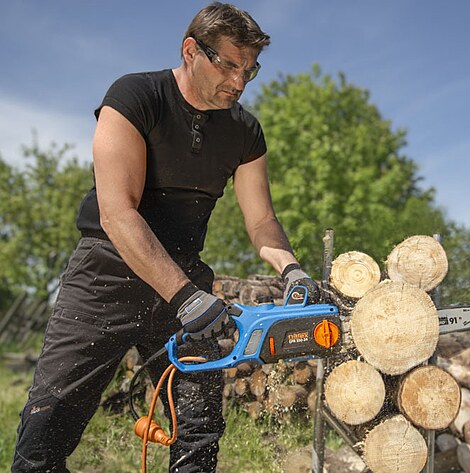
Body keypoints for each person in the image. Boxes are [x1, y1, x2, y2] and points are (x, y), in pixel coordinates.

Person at [12, 3, 319, 472]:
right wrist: (187, 298)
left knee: (198, 426)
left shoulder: (244, 131)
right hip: (107, 274)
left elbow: (262, 222)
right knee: (48, 425)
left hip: (183, 277)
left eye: (249, 71)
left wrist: (291, 270)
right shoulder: (135, 96)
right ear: (191, 50)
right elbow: (118, 213)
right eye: (229, 66)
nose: (239, 82)